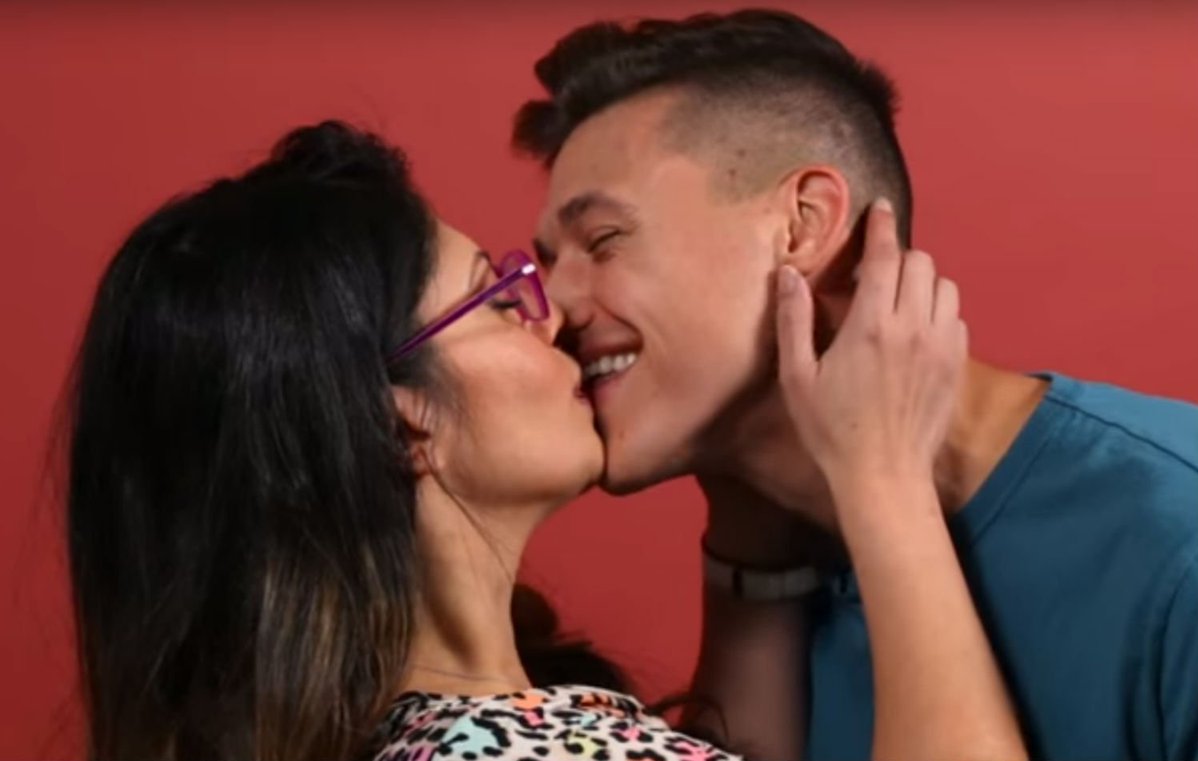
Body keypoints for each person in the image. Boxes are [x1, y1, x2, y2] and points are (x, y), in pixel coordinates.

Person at [65, 121, 1023, 761]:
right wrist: (884, 477)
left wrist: (750, 535)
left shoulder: (472, 722)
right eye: (495, 296)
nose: (553, 317)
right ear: (401, 421)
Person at [514, 9, 1198, 761]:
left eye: (604, 240)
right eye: (548, 263)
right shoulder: (777, 581)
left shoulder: (1177, 539)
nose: (555, 308)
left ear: (802, 227)